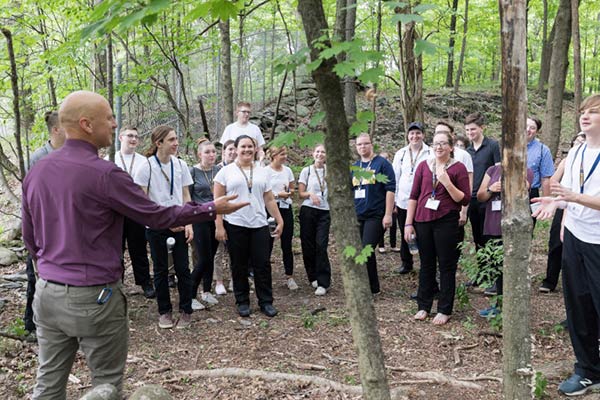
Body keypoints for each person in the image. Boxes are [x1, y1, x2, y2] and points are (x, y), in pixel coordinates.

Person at [21, 90, 246, 399]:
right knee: (106, 386)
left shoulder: (37, 172)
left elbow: (30, 239)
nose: (115, 124)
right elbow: (155, 215)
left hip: (47, 295)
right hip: (94, 298)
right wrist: (210, 208)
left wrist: (48, 272)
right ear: (86, 124)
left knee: (47, 385)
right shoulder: (104, 174)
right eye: (109, 118)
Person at [532, 94, 600, 396]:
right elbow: (567, 191)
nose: (585, 116)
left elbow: (580, 194)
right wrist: (556, 201)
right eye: (583, 111)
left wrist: (573, 197)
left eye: (593, 112)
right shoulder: (576, 152)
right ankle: (588, 370)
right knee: (578, 305)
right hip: (575, 235)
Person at [404, 131, 470, 325]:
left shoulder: (458, 168)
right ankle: (423, 306)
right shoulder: (424, 166)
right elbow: (414, 195)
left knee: (446, 265)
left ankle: (444, 309)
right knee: (426, 264)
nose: (439, 147)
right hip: (423, 220)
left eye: (443, 144)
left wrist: (446, 182)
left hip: (446, 221)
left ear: (451, 147)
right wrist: (409, 223)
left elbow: (464, 198)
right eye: (436, 144)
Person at [133, 125, 196, 329]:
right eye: (171, 140)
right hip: (157, 225)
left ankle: (186, 310)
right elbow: (143, 202)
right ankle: (164, 311)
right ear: (158, 143)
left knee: (183, 269)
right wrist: (164, 220)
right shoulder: (146, 167)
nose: (176, 143)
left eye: (176, 139)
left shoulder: (180, 165)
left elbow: (186, 195)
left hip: (179, 222)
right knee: (160, 270)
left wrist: (187, 222)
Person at [214, 135, 283, 317]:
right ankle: (242, 301)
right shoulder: (225, 172)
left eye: (250, 147)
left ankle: (266, 301)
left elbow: (268, 198)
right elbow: (217, 202)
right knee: (239, 265)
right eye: (243, 147)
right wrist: (219, 225)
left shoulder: (262, 171)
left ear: (255, 149)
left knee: (262, 264)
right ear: (235, 149)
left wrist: (279, 219)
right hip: (235, 223)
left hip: (259, 224)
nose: (247, 150)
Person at [23, 110, 65, 335]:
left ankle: (58, 324)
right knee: (35, 275)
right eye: (66, 127)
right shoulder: (39, 157)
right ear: (56, 130)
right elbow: (33, 196)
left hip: (63, 226)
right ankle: (31, 324)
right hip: (41, 226)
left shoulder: (70, 154)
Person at [476, 162, 532, 317]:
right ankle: (499, 305)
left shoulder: (524, 170)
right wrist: (490, 189)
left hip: (512, 228)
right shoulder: (492, 170)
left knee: (511, 268)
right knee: (497, 268)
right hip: (493, 224)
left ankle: (512, 307)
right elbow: (480, 196)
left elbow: (524, 188)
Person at [108, 126, 154, 299]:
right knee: (115, 249)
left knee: (139, 249)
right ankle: (116, 282)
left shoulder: (144, 161)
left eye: (136, 136)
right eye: (130, 136)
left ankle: (144, 282)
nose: (133, 139)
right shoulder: (110, 159)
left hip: (136, 211)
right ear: (120, 138)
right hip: (116, 212)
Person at [539, 133, 585, 293]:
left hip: (581, 208)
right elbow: (553, 181)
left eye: (583, 140)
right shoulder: (568, 160)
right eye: (578, 140)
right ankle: (550, 280)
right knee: (556, 243)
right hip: (562, 202)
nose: (580, 142)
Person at [352, 133, 396, 294]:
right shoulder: (356, 167)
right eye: (359, 145)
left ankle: (371, 288)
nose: (362, 147)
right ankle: (371, 287)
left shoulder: (382, 164)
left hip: (376, 214)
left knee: (367, 249)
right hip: (358, 214)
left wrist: (388, 214)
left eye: (365, 144)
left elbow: (390, 189)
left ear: (372, 144)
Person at [465, 112, 501, 283]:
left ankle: (494, 275)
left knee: (491, 237)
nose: (470, 133)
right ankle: (481, 274)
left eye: (473, 129)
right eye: (467, 130)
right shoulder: (467, 151)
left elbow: (499, 170)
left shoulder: (493, 146)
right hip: (472, 199)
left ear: (481, 128)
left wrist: (492, 189)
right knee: (478, 237)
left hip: (489, 198)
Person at [392, 122, 431, 274]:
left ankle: (425, 263)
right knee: (404, 232)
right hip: (403, 200)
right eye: (412, 134)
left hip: (423, 202)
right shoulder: (400, 154)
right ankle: (406, 263)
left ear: (423, 135)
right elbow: (394, 177)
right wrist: (394, 200)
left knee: (422, 233)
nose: (415, 136)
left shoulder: (430, 153)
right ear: (407, 136)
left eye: (418, 133)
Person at [189, 139, 221, 308]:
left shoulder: (219, 170)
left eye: (213, 152)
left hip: (216, 218)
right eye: (207, 152)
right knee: (204, 258)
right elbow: (188, 198)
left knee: (212, 255)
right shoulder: (193, 171)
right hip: (199, 218)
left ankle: (206, 291)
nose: (211, 155)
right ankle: (190, 294)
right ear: (199, 154)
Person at [298, 144, 332, 295]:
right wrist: (310, 194)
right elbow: (300, 193)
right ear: (313, 154)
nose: (320, 154)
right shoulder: (307, 171)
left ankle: (323, 282)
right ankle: (312, 275)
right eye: (317, 151)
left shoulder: (329, 171)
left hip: (325, 211)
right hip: (308, 210)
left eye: (323, 152)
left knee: (321, 244)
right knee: (308, 245)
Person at [266, 145, 297, 290]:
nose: (285, 157)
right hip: (270, 209)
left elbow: (292, 190)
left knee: (287, 243)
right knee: (268, 243)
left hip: (286, 208)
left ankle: (289, 276)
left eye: (285, 154)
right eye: (282, 154)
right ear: (273, 155)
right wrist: (278, 195)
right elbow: (264, 193)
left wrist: (288, 193)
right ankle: (264, 276)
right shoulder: (265, 171)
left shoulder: (288, 170)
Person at [213, 139, 237, 294]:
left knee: (235, 250)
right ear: (223, 152)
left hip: (235, 214)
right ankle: (219, 281)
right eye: (229, 150)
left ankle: (235, 279)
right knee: (218, 250)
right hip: (219, 213)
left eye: (235, 149)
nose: (233, 152)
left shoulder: (240, 169)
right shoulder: (217, 170)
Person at [526, 117, 554, 199]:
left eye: (532, 128)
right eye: (525, 126)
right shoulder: (509, 147)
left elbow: (546, 179)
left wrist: (545, 202)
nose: (528, 129)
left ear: (537, 131)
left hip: (531, 193)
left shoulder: (543, 150)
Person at [377, 151, 399, 253]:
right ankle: (381, 245)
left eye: (387, 158)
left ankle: (393, 245)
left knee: (393, 223)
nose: (385, 160)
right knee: (381, 225)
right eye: (382, 158)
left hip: (392, 201)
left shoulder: (392, 171)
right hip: (380, 203)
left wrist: (395, 204)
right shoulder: (376, 172)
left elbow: (394, 188)